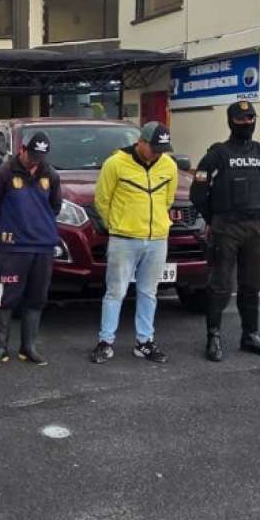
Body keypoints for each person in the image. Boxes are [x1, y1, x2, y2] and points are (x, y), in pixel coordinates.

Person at [189, 101, 260, 362]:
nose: (246, 123)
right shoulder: (216, 156)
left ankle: (250, 336)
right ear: (230, 122)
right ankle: (213, 337)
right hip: (225, 227)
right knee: (220, 286)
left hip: (256, 228)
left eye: (250, 118)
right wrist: (213, 219)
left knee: (252, 285)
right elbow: (198, 194)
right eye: (240, 120)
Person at [91, 122, 178, 365]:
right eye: (154, 148)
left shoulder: (168, 166)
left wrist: (156, 225)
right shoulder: (115, 164)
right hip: (124, 239)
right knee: (115, 292)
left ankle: (144, 342)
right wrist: (117, 226)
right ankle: (106, 342)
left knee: (148, 292)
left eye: (162, 149)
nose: (158, 153)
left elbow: (168, 200)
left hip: (157, 239)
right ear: (141, 142)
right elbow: (102, 200)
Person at [0, 132, 62, 369]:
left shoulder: (51, 175)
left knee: (36, 298)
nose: (35, 160)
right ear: (22, 149)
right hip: (14, 246)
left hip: (43, 246)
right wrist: (10, 225)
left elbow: (55, 207)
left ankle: (28, 347)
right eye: (32, 155)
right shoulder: (4, 173)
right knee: (5, 299)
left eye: (41, 156)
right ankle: (0, 348)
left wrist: (40, 227)